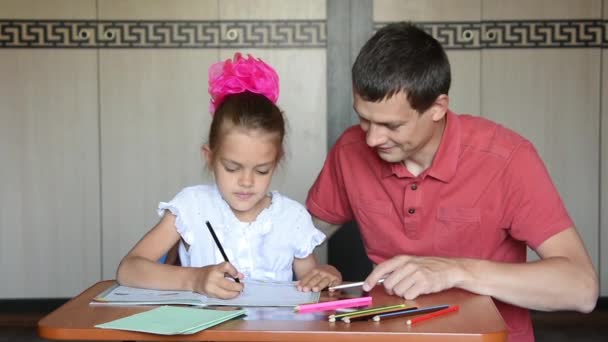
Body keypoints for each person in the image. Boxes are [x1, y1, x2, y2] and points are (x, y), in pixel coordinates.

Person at [307, 22, 598, 341]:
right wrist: (306, 267)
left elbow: (580, 288)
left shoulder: (507, 159)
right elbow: (296, 235)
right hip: (388, 333)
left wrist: (455, 271)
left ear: (437, 108)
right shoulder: (351, 150)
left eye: (392, 125)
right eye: (364, 119)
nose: (374, 138)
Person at [117, 53, 342, 299]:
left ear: (276, 162)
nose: (246, 181)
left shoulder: (291, 218)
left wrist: (327, 273)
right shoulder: (191, 207)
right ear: (210, 157)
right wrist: (194, 279)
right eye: (232, 168)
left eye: (261, 170)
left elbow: (311, 279)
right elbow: (129, 269)